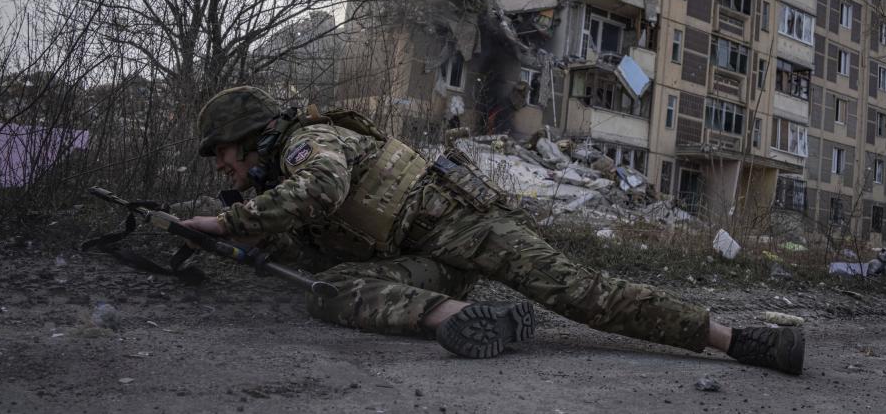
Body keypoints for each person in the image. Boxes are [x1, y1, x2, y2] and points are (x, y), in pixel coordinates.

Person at [180, 86, 805, 373]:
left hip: (468, 228)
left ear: (251, 136)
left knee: (581, 293)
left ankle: (739, 341)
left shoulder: (307, 143)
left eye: (223, 153)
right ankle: (464, 318)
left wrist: (229, 220)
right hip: (430, 266)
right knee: (328, 289)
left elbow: (322, 187)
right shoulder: (278, 179)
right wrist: (250, 238)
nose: (222, 166)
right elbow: (325, 247)